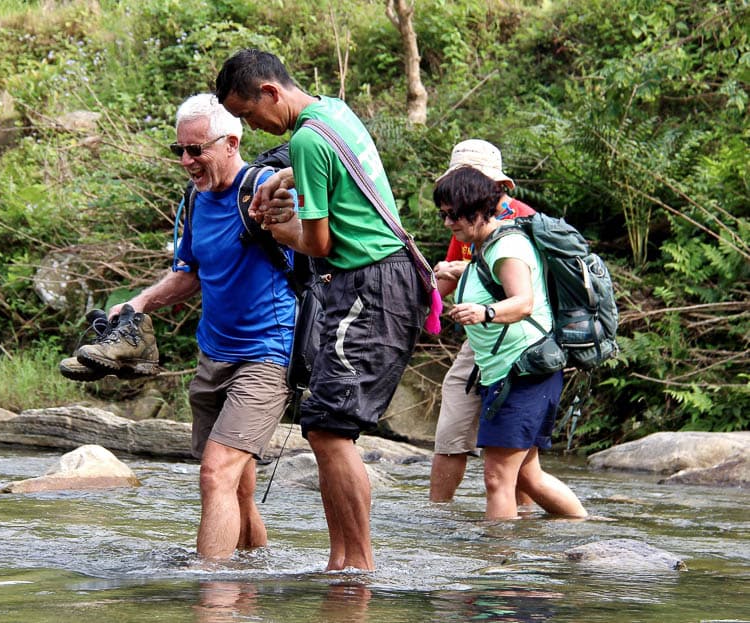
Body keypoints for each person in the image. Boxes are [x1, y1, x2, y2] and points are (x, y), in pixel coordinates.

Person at [216, 49, 426, 570]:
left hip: (367, 287)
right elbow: (322, 162)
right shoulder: (331, 112)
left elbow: (317, 242)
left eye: (246, 114)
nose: (252, 126)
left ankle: (355, 565)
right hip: (382, 282)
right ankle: (345, 561)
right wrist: (277, 181)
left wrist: (271, 226)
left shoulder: (307, 140)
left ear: (270, 93)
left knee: (330, 429)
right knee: (324, 425)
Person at [89, 93, 296, 561]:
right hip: (214, 356)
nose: (187, 160)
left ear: (231, 142)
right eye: (179, 150)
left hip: (269, 352)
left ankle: (211, 595)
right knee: (239, 487)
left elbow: (317, 243)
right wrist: (139, 302)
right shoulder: (194, 201)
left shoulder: (266, 188)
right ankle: (249, 586)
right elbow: (190, 272)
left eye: (196, 149)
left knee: (215, 473)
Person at [434, 165, 587, 520]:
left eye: (452, 214)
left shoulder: (508, 246)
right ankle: (581, 527)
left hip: (523, 372)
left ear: (475, 208)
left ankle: (498, 564)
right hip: (507, 373)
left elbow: (523, 302)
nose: (447, 224)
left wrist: (484, 313)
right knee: (528, 476)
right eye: (443, 215)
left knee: (497, 479)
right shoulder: (482, 248)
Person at [428, 140, 535, 503]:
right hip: (479, 342)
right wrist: (429, 281)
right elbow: (444, 286)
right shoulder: (462, 219)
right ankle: (436, 522)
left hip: (520, 344)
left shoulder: (523, 221)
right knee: (450, 434)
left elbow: (528, 298)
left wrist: (469, 269)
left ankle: (524, 530)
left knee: (519, 464)